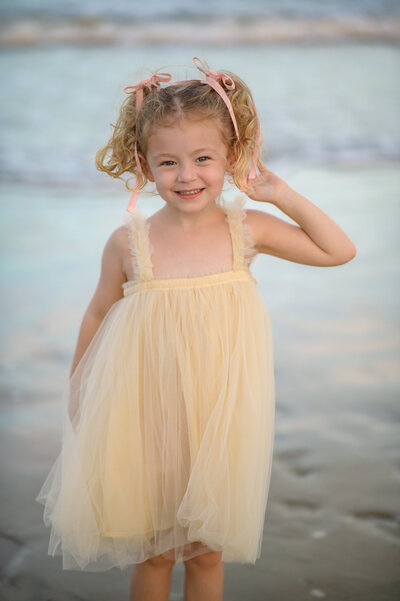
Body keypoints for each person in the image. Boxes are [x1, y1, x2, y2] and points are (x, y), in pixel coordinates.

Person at [35, 57, 357, 601]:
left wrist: (280, 192)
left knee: (206, 552)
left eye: (203, 158)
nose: (186, 176)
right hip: (147, 416)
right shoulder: (128, 243)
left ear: (231, 156)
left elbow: (338, 250)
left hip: (220, 421)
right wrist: (78, 390)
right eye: (168, 162)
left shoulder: (245, 230)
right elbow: (97, 313)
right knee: (157, 549)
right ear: (143, 164)